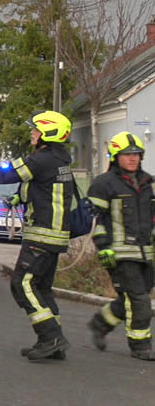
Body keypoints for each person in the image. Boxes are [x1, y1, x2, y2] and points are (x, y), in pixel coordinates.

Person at [0, 110, 76, 361]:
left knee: (22, 284)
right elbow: (46, 188)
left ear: (48, 132)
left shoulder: (41, 160)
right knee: (42, 288)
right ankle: (52, 342)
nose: (32, 132)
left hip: (42, 235)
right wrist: (21, 197)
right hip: (55, 235)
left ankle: (51, 336)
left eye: (36, 129)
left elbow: (3, 175)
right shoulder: (60, 159)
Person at [84, 132, 154, 361]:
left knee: (130, 299)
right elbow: (95, 220)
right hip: (119, 253)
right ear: (115, 157)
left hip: (146, 253)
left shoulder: (148, 183)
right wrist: (103, 247)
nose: (132, 158)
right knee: (140, 300)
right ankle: (140, 345)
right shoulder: (104, 184)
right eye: (126, 154)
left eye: (136, 154)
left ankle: (101, 323)